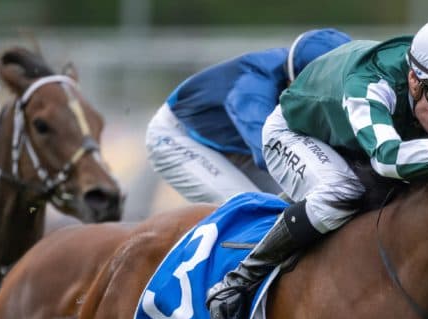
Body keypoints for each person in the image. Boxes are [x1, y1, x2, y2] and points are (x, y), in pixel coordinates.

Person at [206, 13, 428, 319]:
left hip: (356, 138)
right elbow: (387, 157)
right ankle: (237, 281)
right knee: (342, 191)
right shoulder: (371, 84)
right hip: (296, 133)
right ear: (415, 80)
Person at [145, 28, 351, 206]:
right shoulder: (253, 88)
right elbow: (268, 151)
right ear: (294, 82)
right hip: (178, 137)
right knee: (251, 213)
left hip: (239, 145)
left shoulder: (301, 69)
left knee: (295, 202)